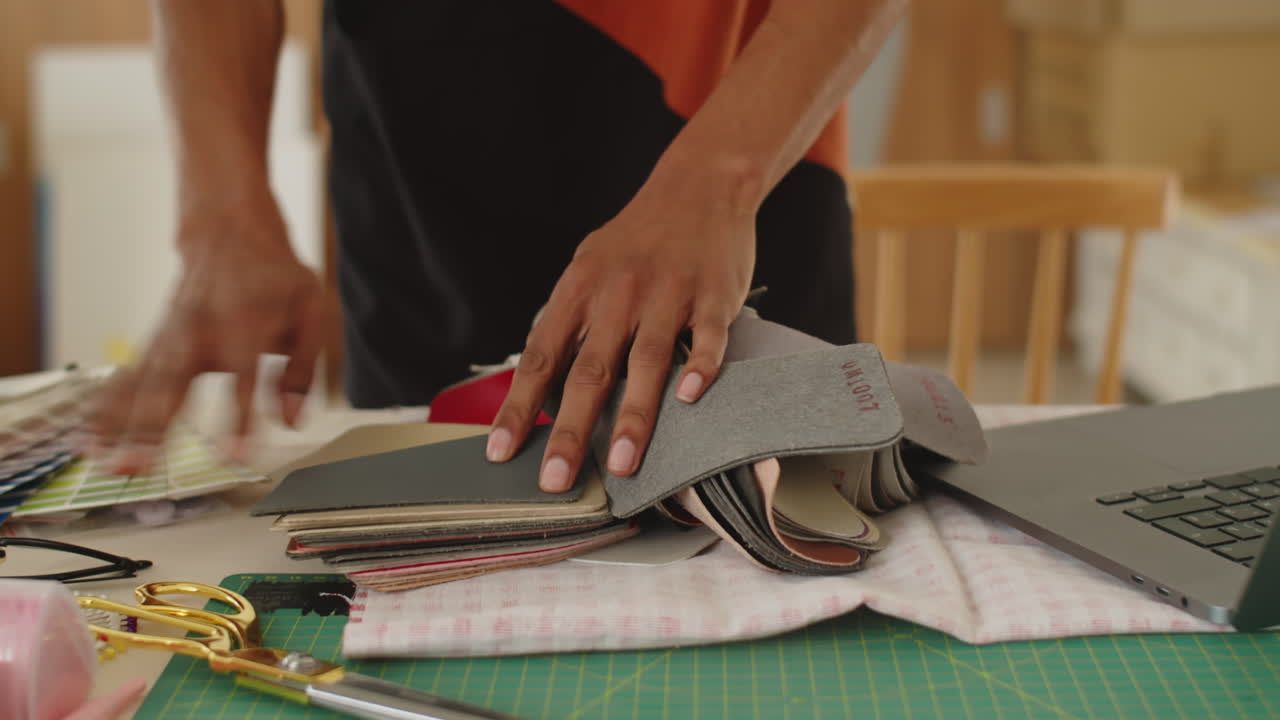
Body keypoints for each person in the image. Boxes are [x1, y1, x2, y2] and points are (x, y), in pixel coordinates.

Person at [90, 0, 904, 493]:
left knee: (776, 529)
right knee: (433, 546)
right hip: (419, 160)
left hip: (740, 129)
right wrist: (223, 221)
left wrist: (719, 179)